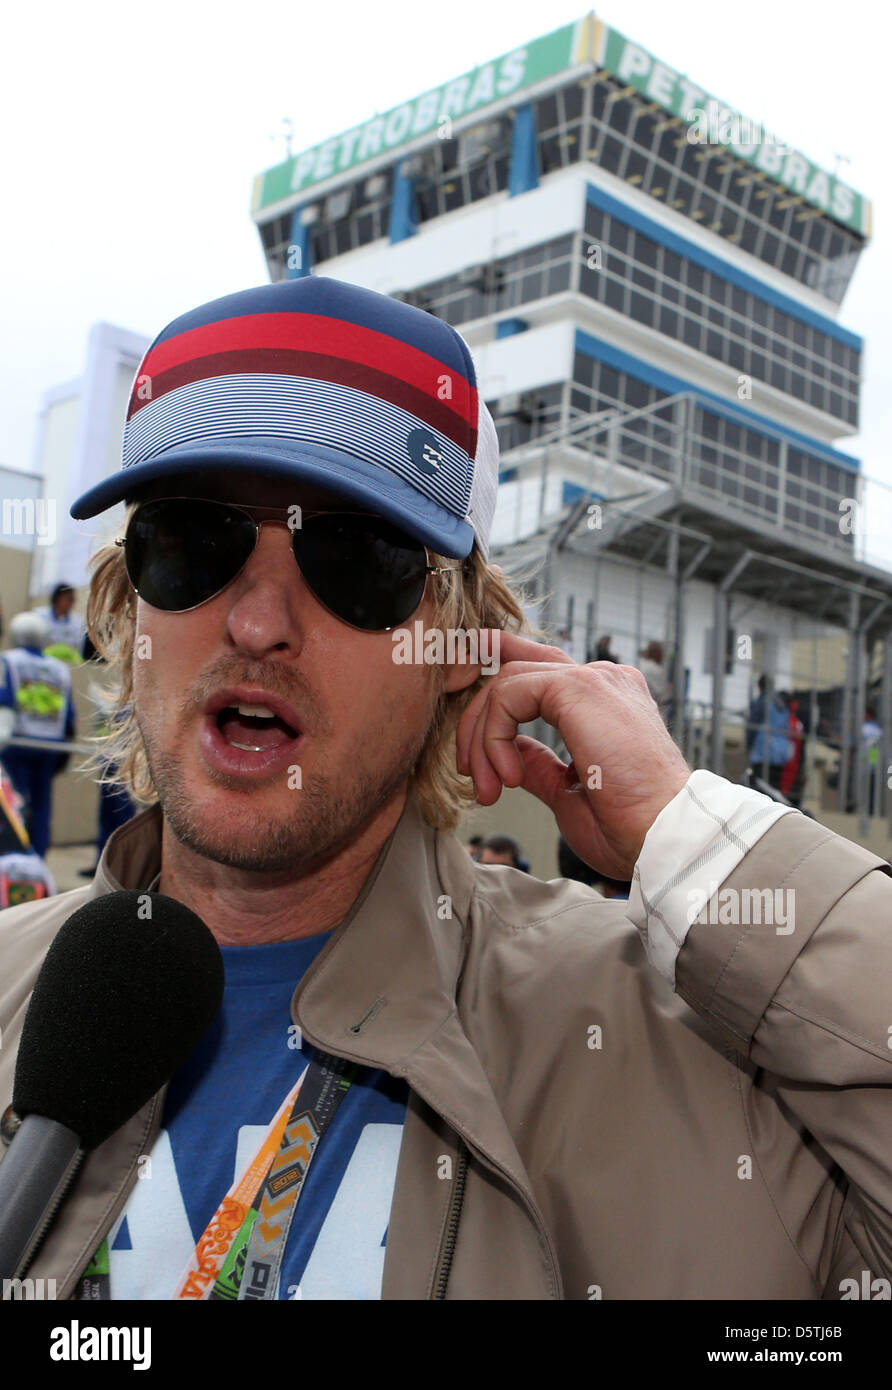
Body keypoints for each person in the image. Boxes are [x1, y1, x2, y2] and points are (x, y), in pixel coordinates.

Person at [0, 276, 890, 1302]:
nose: (256, 623)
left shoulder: (668, 1038)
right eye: (193, 539)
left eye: (357, 559)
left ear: (459, 648)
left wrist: (691, 839)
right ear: (128, 602)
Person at [0, 611, 76, 857]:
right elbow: (69, 714)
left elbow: (5, 700)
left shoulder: (9, 660)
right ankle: (39, 854)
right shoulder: (59, 669)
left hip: (18, 743)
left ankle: (17, 854)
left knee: (15, 803)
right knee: (42, 805)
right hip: (50, 746)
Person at [747, 674, 793, 792]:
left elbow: (752, 726)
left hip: (763, 752)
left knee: (759, 790)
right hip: (780, 755)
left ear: (760, 686)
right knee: (774, 789)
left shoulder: (762, 702)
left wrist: (749, 746)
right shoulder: (783, 706)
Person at [35, 582, 87, 664]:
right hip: (41, 663)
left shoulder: (78, 623)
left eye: (73, 600)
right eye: (69, 599)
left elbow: (78, 650)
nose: (72, 603)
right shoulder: (39, 617)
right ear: (57, 598)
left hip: (68, 665)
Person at [638, 640, 670, 718]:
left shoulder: (643, 665)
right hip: (653, 705)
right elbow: (661, 693)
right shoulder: (654, 669)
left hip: (644, 704)